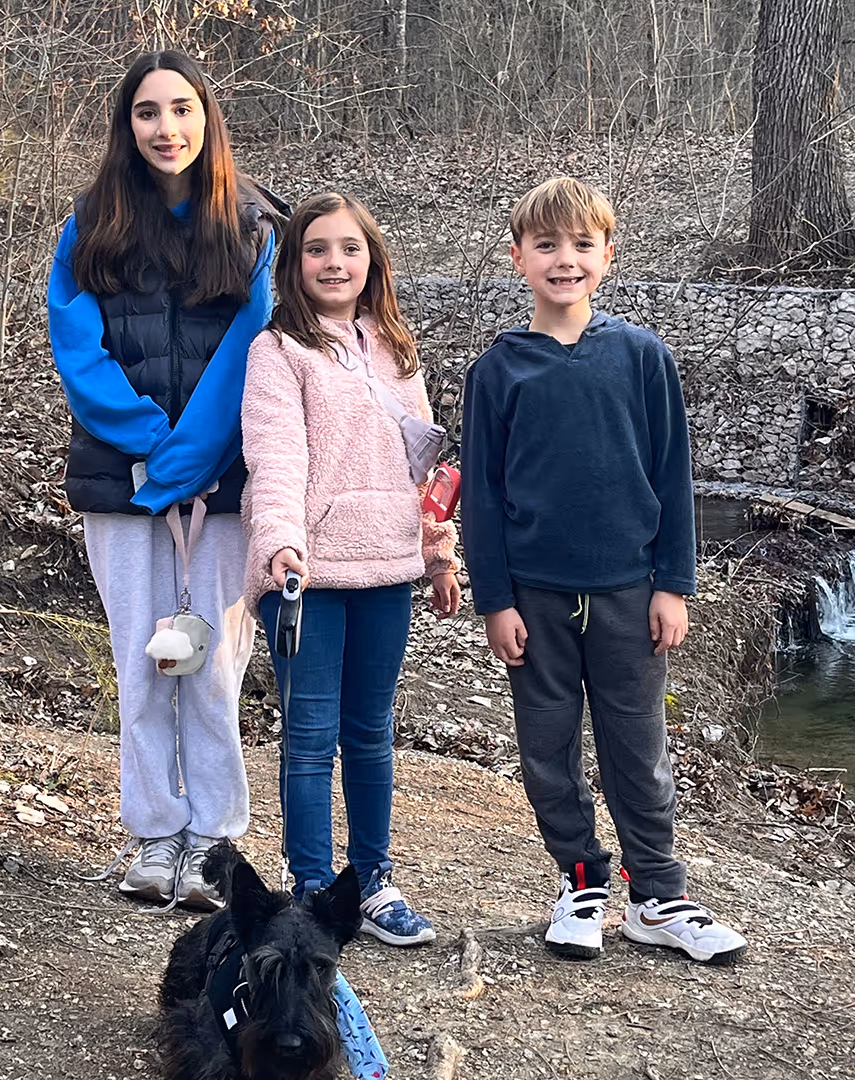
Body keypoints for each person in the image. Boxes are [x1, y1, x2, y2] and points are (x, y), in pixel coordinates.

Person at [460, 176, 748, 964]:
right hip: (536, 600)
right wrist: (496, 600)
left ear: (608, 256)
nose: (565, 260)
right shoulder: (498, 372)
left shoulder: (642, 357)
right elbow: (481, 498)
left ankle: (658, 895)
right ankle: (582, 877)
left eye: (582, 245)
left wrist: (674, 583)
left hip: (629, 594)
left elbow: (671, 474)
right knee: (547, 748)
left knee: (637, 747)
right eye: (547, 245)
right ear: (518, 258)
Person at [47, 50, 282, 911]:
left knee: (214, 663)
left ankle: (214, 838)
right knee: (143, 663)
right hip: (122, 478)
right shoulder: (91, 223)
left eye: (181, 110)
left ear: (207, 118)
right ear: (127, 125)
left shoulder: (254, 225)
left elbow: (257, 345)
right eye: (148, 113)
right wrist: (149, 443)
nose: (166, 128)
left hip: (221, 478)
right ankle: (152, 833)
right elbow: (75, 344)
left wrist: (192, 454)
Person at [241, 192, 461, 947]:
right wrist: (279, 540)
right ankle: (309, 889)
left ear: (373, 261)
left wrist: (437, 555)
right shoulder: (277, 351)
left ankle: (372, 880)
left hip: (389, 567)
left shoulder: (398, 349)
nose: (334, 263)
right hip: (309, 573)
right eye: (316, 249)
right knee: (309, 734)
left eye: (349, 249)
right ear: (294, 264)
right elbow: (274, 456)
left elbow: (421, 467)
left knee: (370, 732)